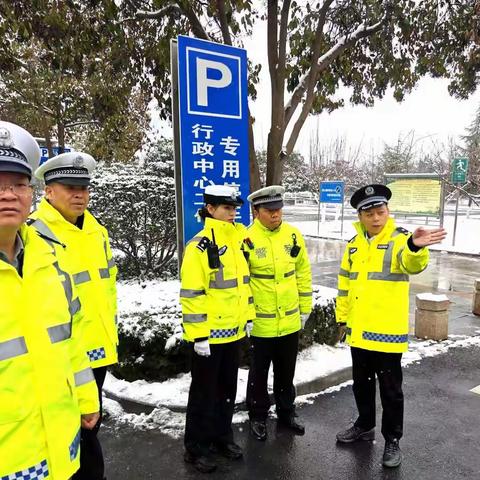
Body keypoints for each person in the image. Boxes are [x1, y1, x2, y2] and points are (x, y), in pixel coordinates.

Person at [0, 121, 99, 479]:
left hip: (58, 448)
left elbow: (69, 341)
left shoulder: (47, 260)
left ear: (31, 192)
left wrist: (87, 399)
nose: (8, 194)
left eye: (18, 184)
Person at [335, 183, 447, 468]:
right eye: (369, 213)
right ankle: (364, 424)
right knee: (361, 384)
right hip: (359, 331)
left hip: (386, 333)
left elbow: (410, 263)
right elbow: (345, 285)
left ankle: (392, 439)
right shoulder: (353, 245)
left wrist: (415, 247)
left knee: (391, 391)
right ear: (360, 216)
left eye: (380, 211)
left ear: (388, 211)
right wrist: (342, 319)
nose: (375, 218)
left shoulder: (400, 239)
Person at [31, 152, 118, 480]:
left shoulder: (97, 231)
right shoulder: (35, 235)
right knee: (70, 433)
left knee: (88, 428)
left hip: (97, 351)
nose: (80, 194)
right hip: (61, 357)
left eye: (84, 187)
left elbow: (106, 290)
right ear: (48, 191)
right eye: (69, 187)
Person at [180, 185, 256, 474]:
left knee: (226, 389)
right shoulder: (198, 246)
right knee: (203, 392)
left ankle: (222, 437)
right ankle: (196, 447)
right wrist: (199, 335)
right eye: (226, 208)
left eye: (234, 208)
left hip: (234, 332)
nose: (232, 214)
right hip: (209, 337)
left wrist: (247, 317)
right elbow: (192, 293)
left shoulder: (239, 241)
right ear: (210, 209)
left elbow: (243, 286)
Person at [244, 185, 312, 441]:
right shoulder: (247, 239)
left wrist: (305, 308)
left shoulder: (293, 235)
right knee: (258, 373)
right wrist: (247, 315)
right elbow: (243, 281)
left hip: (289, 320)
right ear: (256, 211)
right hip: (261, 322)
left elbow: (303, 273)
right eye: (269, 210)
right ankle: (258, 416)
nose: (275, 214)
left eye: (278, 209)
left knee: (286, 371)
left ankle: (287, 412)